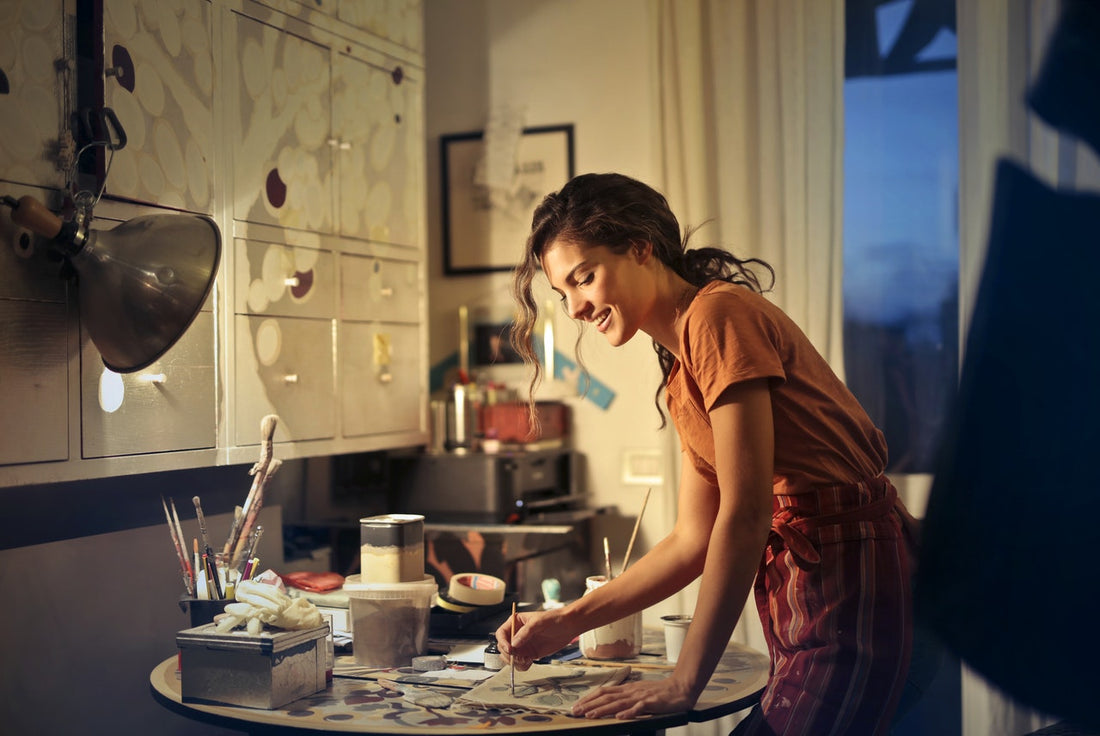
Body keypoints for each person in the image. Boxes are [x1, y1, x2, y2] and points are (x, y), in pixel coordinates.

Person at [495, 173, 920, 735]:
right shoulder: (682, 370)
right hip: (813, 594)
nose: (575, 307)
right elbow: (692, 539)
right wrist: (565, 622)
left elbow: (745, 514)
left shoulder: (717, 317)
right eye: (563, 292)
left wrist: (682, 684)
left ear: (641, 248)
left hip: (850, 587)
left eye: (585, 278)